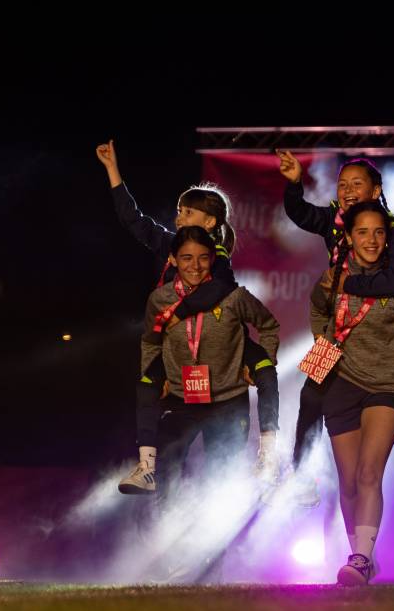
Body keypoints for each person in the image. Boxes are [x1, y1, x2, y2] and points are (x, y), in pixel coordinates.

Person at [95, 141, 280, 493]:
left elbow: (217, 292)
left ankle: (269, 453)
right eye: (179, 211)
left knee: (266, 370)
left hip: (224, 343)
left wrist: (175, 314)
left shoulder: (218, 256)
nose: (179, 217)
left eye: (188, 213)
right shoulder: (168, 245)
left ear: (210, 222)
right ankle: (147, 467)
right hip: (182, 348)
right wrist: (112, 170)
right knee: (146, 383)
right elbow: (132, 219)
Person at [280, 152, 394, 481]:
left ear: (375, 190)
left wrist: (349, 283)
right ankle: (301, 472)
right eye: (342, 185)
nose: (348, 190)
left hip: (393, 329)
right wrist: (295, 183)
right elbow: (299, 214)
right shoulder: (334, 219)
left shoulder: (389, 229)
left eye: (357, 184)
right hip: (342, 327)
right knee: (310, 394)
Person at [306, 201, 394, 585]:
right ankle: (360, 552)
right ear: (348, 237)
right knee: (346, 481)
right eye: (362, 232)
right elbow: (318, 311)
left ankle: (361, 558)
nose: (371, 240)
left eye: (379, 232)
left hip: (387, 385)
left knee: (369, 473)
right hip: (341, 383)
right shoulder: (332, 279)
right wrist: (325, 345)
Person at [138, 228, 280, 505]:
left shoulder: (234, 297)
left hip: (228, 401)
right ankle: (165, 530)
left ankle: (214, 541)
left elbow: (269, 325)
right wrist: (155, 376)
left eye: (203, 258)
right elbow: (150, 342)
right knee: (167, 471)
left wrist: (264, 359)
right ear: (174, 259)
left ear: (213, 259)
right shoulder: (160, 300)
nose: (195, 265)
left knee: (220, 478)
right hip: (181, 401)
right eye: (187, 258)